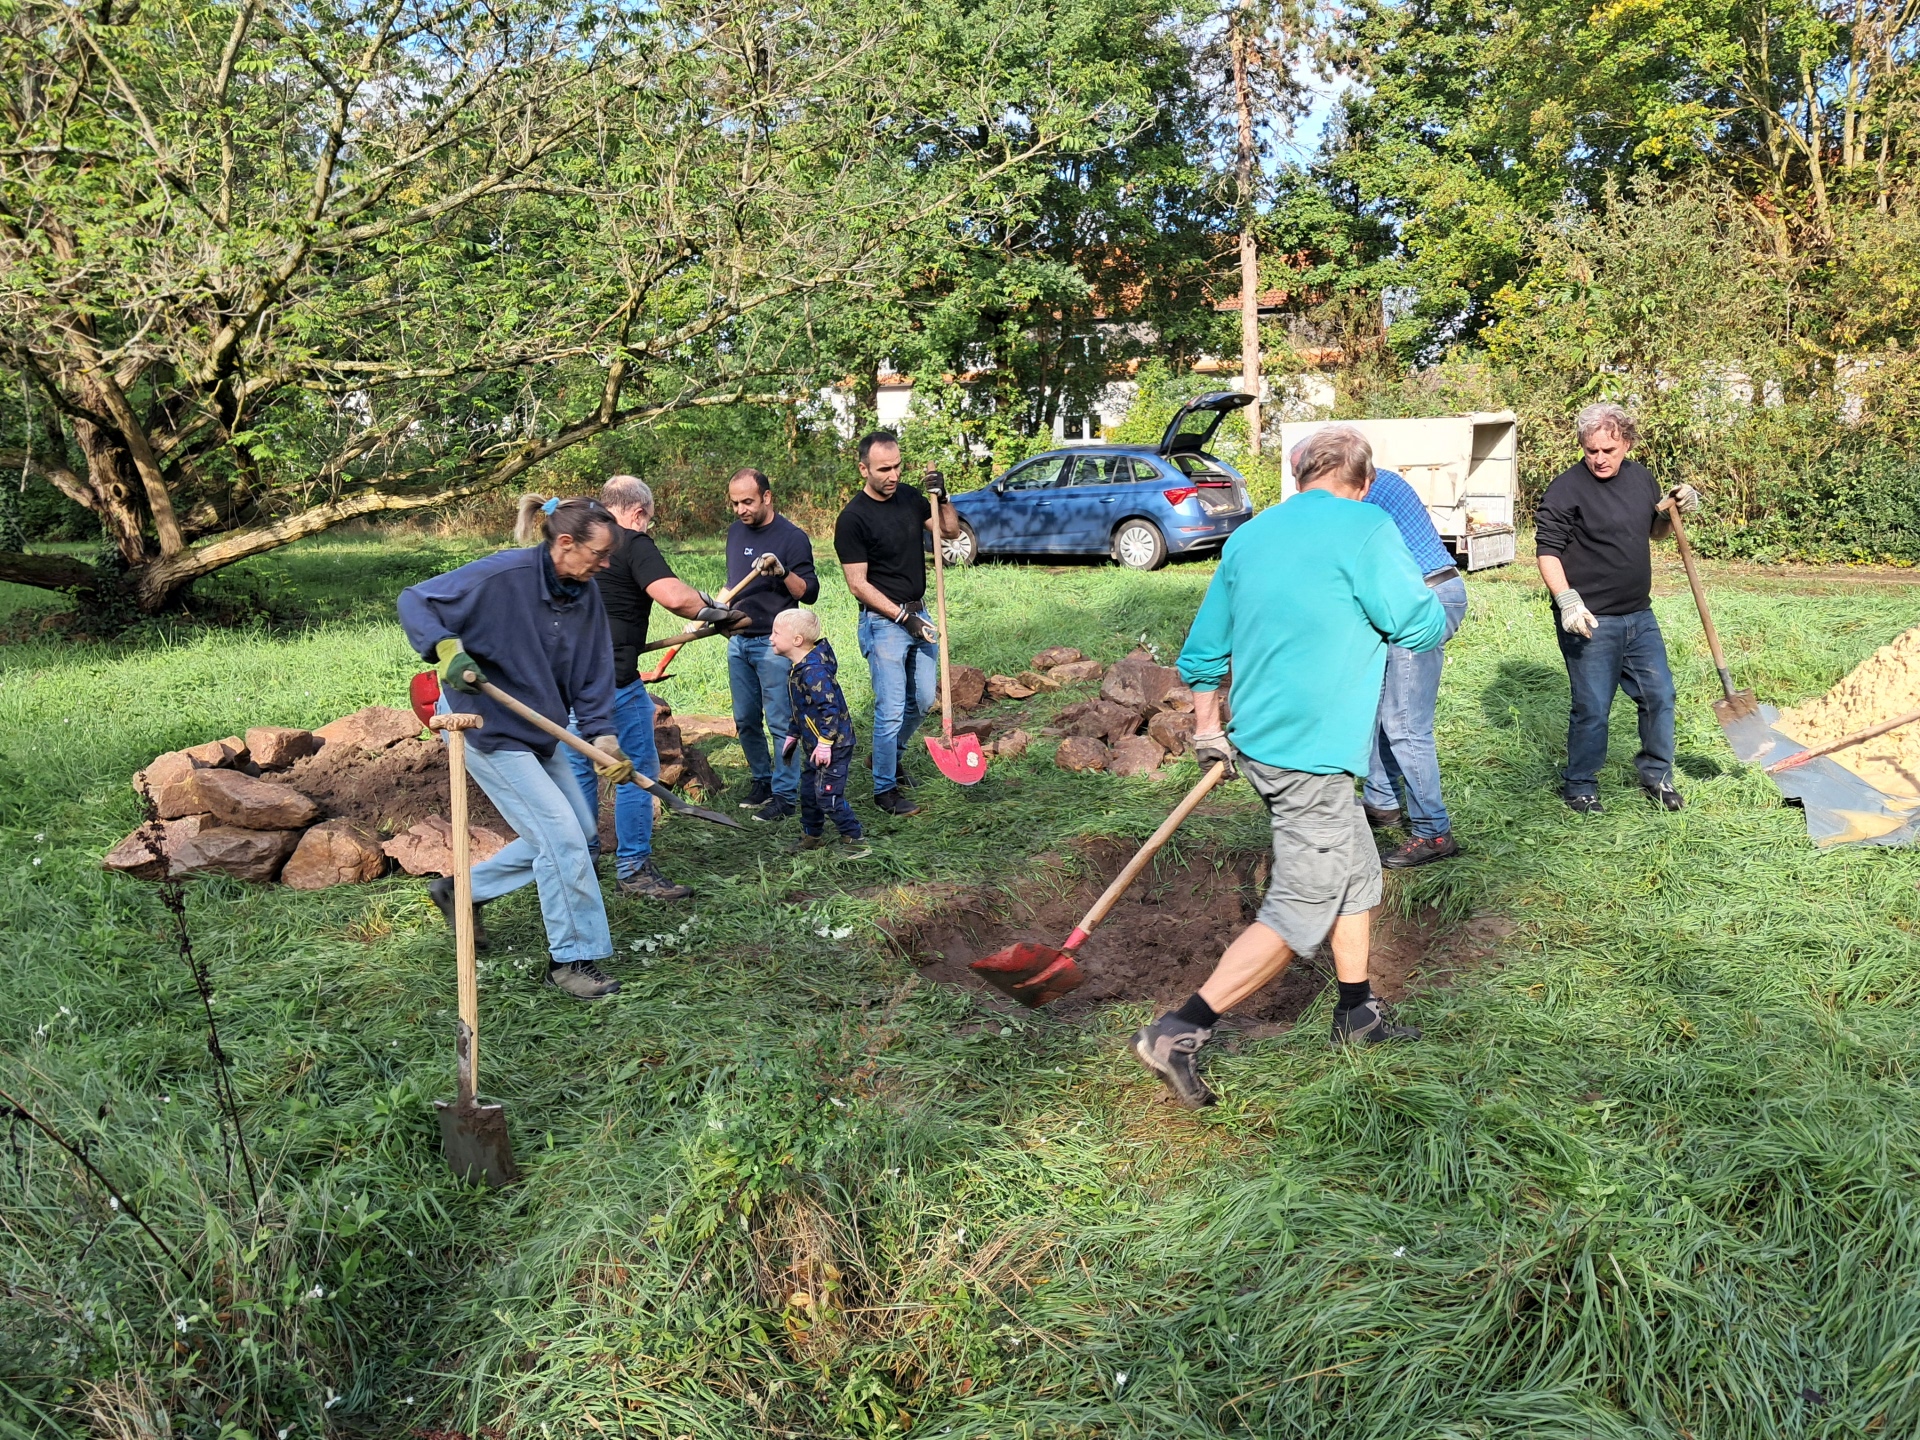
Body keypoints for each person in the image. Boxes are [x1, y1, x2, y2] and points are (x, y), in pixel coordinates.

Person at [1130, 426, 1451, 1109]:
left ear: (1300, 477)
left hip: (1262, 745)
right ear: (1365, 484)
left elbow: (1204, 651)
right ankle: (1178, 1031)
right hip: (1312, 756)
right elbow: (1418, 625)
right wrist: (1426, 607)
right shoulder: (1367, 527)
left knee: (1356, 872)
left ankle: (1358, 1012)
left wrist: (1208, 728)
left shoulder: (1249, 536)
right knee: (1301, 909)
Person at [397, 495, 635, 1001]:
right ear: (565, 543)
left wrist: (603, 736)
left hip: (539, 726)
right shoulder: (502, 576)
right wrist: (446, 648)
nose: (606, 564)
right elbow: (416, 600)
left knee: (581, 833)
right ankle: (571, 961)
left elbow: (595, 669)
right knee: (562, 841)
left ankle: (462, 891)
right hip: (486, 726)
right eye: (600, 554)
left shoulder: (584, 592)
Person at [569, 475, 748, 898]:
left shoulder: (574, 542)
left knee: (579, 773)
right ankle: (634, 870)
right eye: (648, 519)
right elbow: (674, 597)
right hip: (613, 679)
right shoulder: (630, 540)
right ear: (638, 512)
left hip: (568, 679)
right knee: (637, 772)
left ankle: (580, 864)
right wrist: (718, 613)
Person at [1535, 403, 1699, 814]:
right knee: (1592, 707)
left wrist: (1672, 510)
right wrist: (1567, 601)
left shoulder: (1641, 478)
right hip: (1590, 619)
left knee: (1659, 695)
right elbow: (1547, 551)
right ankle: (1580, 785)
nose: (1599, 459)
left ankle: (1657, 777)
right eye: (1591, 450)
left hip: (1639, 614)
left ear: (1627, 443)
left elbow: (1655, 532)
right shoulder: (1566, 489)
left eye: (1608, 450)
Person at [832, 430, 959, 817]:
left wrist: (943, 497)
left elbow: (950, 531)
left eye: (897, 466)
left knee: (921, 700)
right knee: (890, 708)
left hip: (920, 612)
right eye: (884, 469)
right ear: (863, 469)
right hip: (883, 622)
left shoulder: (909, 498)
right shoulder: (853, 519)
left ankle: (887, 757)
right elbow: (858, 584)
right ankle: (884, 790)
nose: (893, 475)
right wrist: (903, 618)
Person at [1355, 461, 1471, 868]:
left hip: (1423, 599)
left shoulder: (1362, 491)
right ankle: (1382, 801)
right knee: (1378, 706)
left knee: (1405, 723)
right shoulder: (1369, 477)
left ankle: (1433, 832)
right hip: (1412, 596)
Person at [724, 467, 821, 822]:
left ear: (767, 497)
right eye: (735, 503)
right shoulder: (735, 532)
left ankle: (784, 795)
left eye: (747, 502)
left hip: (774, 644)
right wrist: (711, 611)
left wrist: (783, 572)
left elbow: (809, 593)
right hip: (738, 640)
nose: (740, 510)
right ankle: (762, 781)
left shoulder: (792, 537)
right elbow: (732, 584)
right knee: (745, 718)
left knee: (781, 721)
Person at [770, 608, 868, 856]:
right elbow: (802, 708)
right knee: (808, 792)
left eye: (776, 633)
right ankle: (812, 836)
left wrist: (825, 743)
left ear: (797, 640)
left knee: (827, 795)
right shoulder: (799, 668)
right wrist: (793, 734)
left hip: (834, 744)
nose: (770, 638)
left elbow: (830, 709)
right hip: (815, 744)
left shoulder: (814, 672)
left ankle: (855, 839)